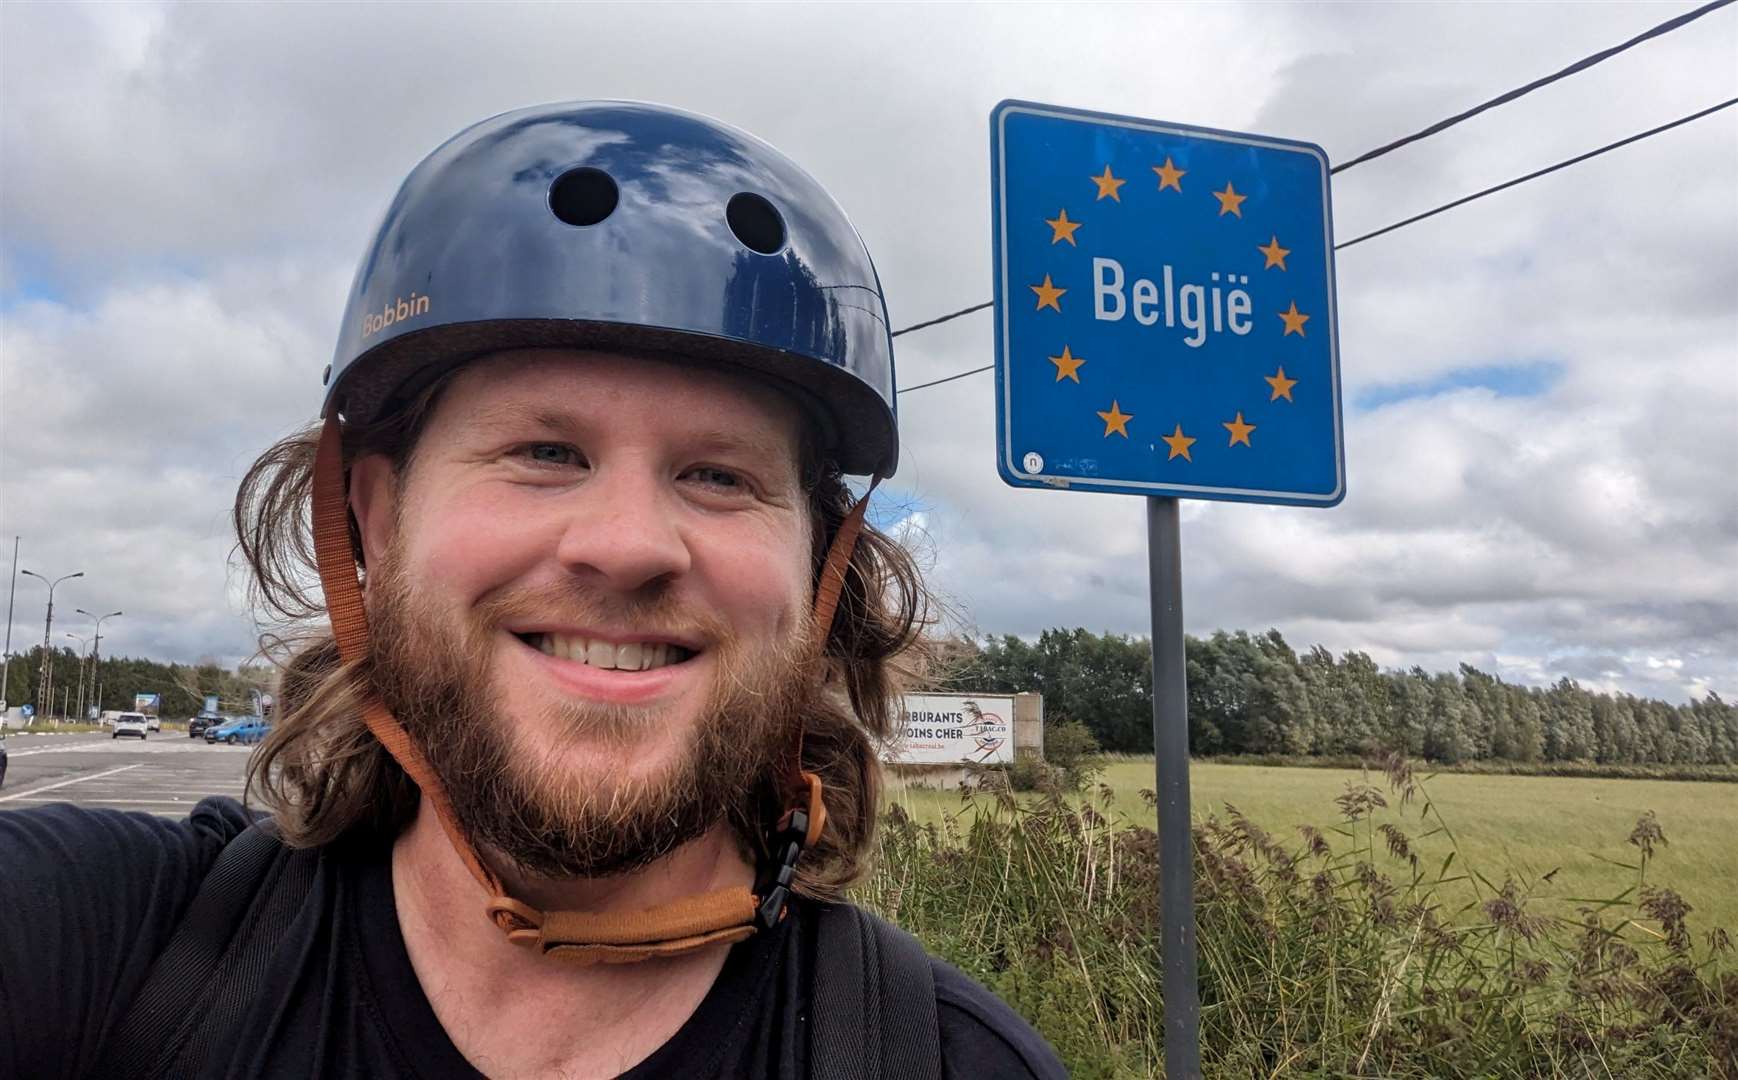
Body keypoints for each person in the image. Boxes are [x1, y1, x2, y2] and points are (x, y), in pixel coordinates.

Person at [0, 102, 1065, 1079]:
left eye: (718, 475)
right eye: (545, 451)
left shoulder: (942, 1060)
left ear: (819, 570)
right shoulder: (97, 939)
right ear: (375, 517)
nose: (628, 545)